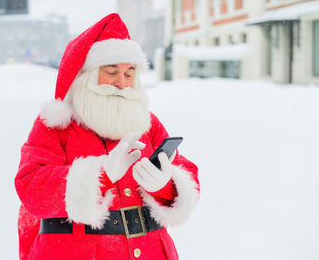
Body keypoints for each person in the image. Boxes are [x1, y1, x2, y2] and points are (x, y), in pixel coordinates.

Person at [15, 13, 200, 260]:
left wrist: (164, 184)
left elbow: (188, 179)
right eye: (111, 72)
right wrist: (101, 175)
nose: (122, 83)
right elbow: (31, 188)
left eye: (129, 73)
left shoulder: (148, 122)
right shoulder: (56, 124)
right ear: (88, 75)